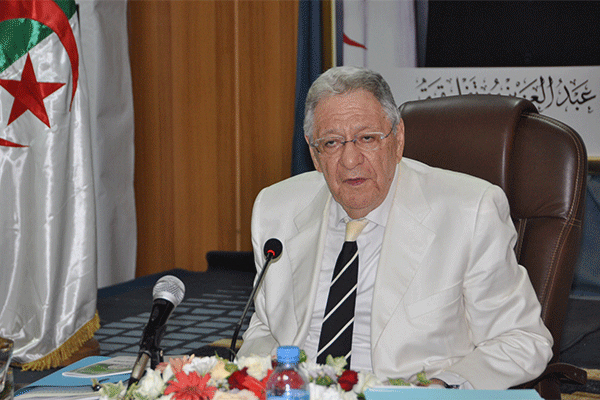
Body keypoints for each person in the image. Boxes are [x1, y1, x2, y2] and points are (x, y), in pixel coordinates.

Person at [238, 66, 553, 390]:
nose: (350, 160)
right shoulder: (276, 209)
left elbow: (522, 340)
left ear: (398, 138)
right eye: (331, 142)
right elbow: (266, 328)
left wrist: (441, 387)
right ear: (314, 154)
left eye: (367, 138)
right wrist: (266, 383)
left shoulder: (469, 211)